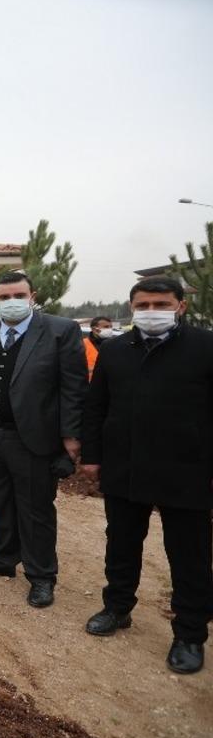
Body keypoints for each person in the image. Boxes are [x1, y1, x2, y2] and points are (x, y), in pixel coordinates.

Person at [81, 276, 213, 674]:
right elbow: (96, 406)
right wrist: (92, 456)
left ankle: (189, 633)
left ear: (180, 307)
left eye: (161, 304)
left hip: (187, 470)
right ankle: (117, 607)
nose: (151, 312)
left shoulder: (205, 347)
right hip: (126, 466)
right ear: (132, 307)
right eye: (144, 305)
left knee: (189, 555)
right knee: (121, 542)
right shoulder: (116, 349)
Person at [0, 271, 86, 609]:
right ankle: (3, 558)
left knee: (35, 509)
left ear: (32, 295)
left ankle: (41, 576)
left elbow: (73, 388)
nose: (11, 302)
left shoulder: (59, 331)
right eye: (4, 297)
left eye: (18, 295)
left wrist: (71, 435)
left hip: (32, 439)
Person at [83, 315, 114, 381]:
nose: (110, 329)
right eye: (106, 327)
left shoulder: (115, 344)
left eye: (111, 327)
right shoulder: (82, 344)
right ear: (94, 329)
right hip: (88, 385)